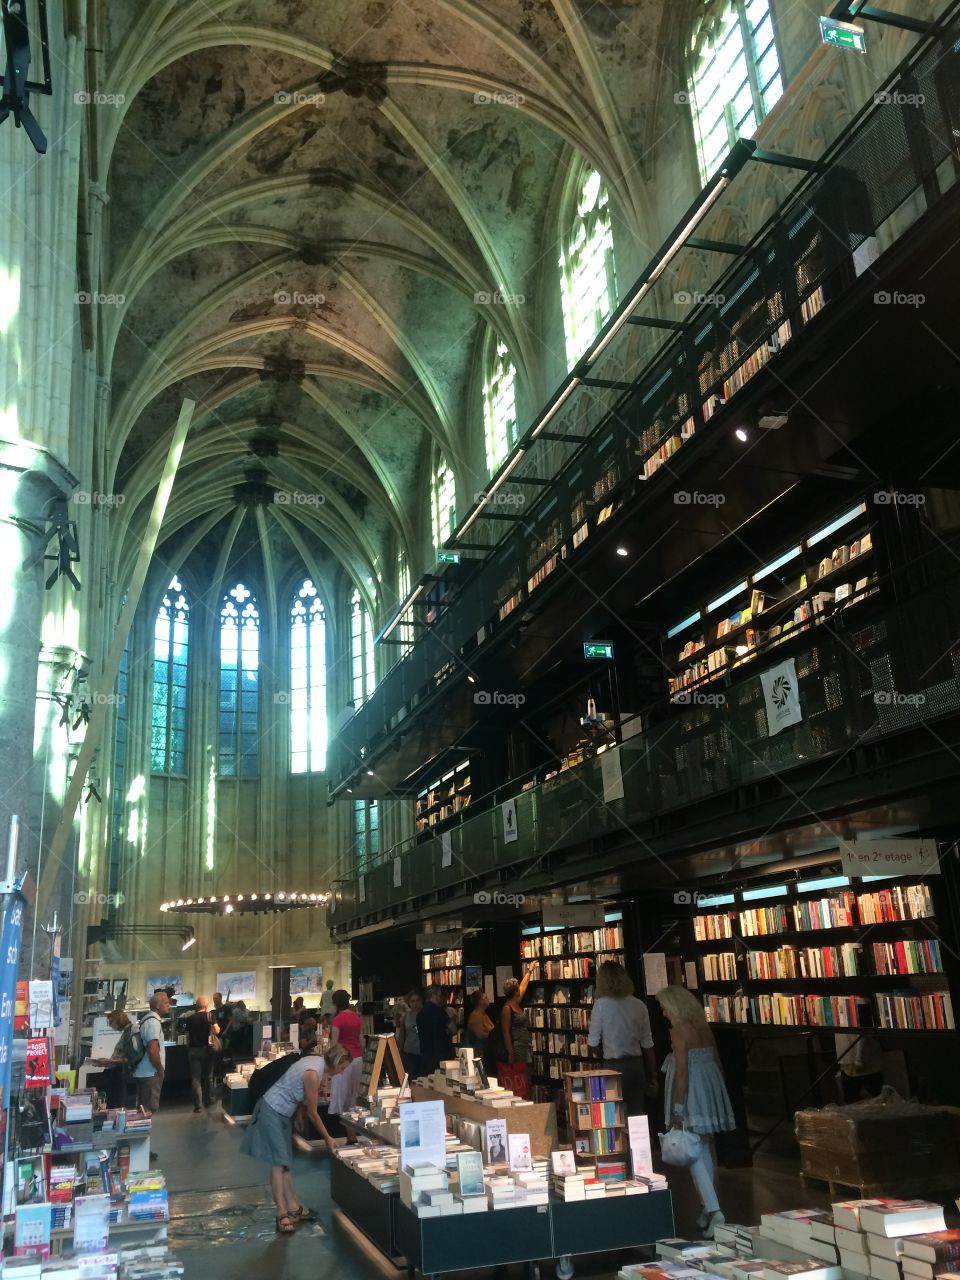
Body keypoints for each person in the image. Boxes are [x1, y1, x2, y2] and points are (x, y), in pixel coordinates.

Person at [240, 1035, 352, 1234]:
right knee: (279, 1163)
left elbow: (296, 1089)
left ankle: (293, 1207)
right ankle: (282, 1213)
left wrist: (297, 1114)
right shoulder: (313, 1074)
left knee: (285, 1162)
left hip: (282, 1112)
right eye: (343, 1068)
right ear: (336, 1063)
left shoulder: (314, 1062)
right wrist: (328, 1137)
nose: (342, 1072)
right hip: (273, 1110)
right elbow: (313, 1113)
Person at [655, 985, 735, 1240]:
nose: (664, 1013)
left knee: (693, 1153)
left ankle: (715, 1210)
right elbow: (717, 1060)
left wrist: (678, 1108)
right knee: (703, 1149)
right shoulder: (703, 1026)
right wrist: (718, 1092)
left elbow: (682, 1071)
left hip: (691, 1093)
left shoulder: (679, 1032)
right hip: (709, 1087)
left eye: (665, 1008)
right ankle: (707, 1209)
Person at [587, 960, 658, 1116]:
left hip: (612, 1065)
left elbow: (592, 1043)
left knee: (612, 1116)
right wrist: (652, 1075)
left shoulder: (601, 1005)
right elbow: (647, 1044)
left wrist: (603, 1055)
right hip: (636, 1065)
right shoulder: (639, 1005)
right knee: (636, 1115)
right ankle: (639, 1140)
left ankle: (620, 1141)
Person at [328, 990, 364, 1121]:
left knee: (342, 1096)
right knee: (353, 1095)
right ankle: (353, 1127)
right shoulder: (356, 1017)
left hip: (344, 1061)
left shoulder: (337, 1020)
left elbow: (334, 1045)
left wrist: (331, 1064)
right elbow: (361, 1040)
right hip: (358, 1059)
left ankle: (348, 1130)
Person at [133, 991, 170, 1114]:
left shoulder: (148, 1020)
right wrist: (160, 1069)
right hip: (150, 1073)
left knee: (144, 1110)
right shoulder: (153, 1022)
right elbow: (153, 1050)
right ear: (157, 1006)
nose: (168, 1004)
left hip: (146, 1072)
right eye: (165, 1002)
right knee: (147, 1111)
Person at [92, 1010, 136, 1108]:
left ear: (118, 1020)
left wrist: (109, 1061)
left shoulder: (129, 1033)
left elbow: (129, 1058)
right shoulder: (126, 1033)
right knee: (113, 1101)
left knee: (117, 1103)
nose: (110, 1025)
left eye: (111, 1022)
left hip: (121, 1073)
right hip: (117, 1072)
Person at [185, 996, 215, 1112]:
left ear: (197, 1006)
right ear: (206, 1006)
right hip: (207, 1050)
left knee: (196, 1078)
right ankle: (209, 1099)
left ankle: (198, 1105)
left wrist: (189, 1048)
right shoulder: (210, 1016)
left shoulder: (190, 1018)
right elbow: (217, 1030)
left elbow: (187, 1037)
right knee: (208, 1076)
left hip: (193, 1050)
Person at [501, 967, 536, 1066]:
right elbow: (505, 1032)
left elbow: (523, 986)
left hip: (525, 1044)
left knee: (526, 1073)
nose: (519, 988)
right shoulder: (507, 1008)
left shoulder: (516, 1003)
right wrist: (510, 1053)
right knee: (520, 1073)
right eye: (517, 987)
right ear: (514, 991)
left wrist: (530, 971)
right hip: (517, 1047)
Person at [417, 984, 454, 1074]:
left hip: (426, 1055)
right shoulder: (440, 1012)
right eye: (439, 995)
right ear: (434, 995)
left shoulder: (420, 1014)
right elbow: (453, 1029)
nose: (440, 998)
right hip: (442, 1054)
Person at [396, 990, 422, 1078]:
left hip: (423, 1052)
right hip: (409, 1053)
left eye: (418, 1000)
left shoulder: (425, 1014)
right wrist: (398, 1053)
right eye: (413, 1001)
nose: (415, 1003)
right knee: (411, 1078)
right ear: (409, 1003)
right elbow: (402, 1037)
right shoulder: (406, 1016)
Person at [465, 990, 494, 1061]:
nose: (488, 999)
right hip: (477, 1054)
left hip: (485, 1052)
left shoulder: (484, 1015)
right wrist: (494, 1036)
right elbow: (480, 1035)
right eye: (485, 997)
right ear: (480, 1001)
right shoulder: (476, 1015)